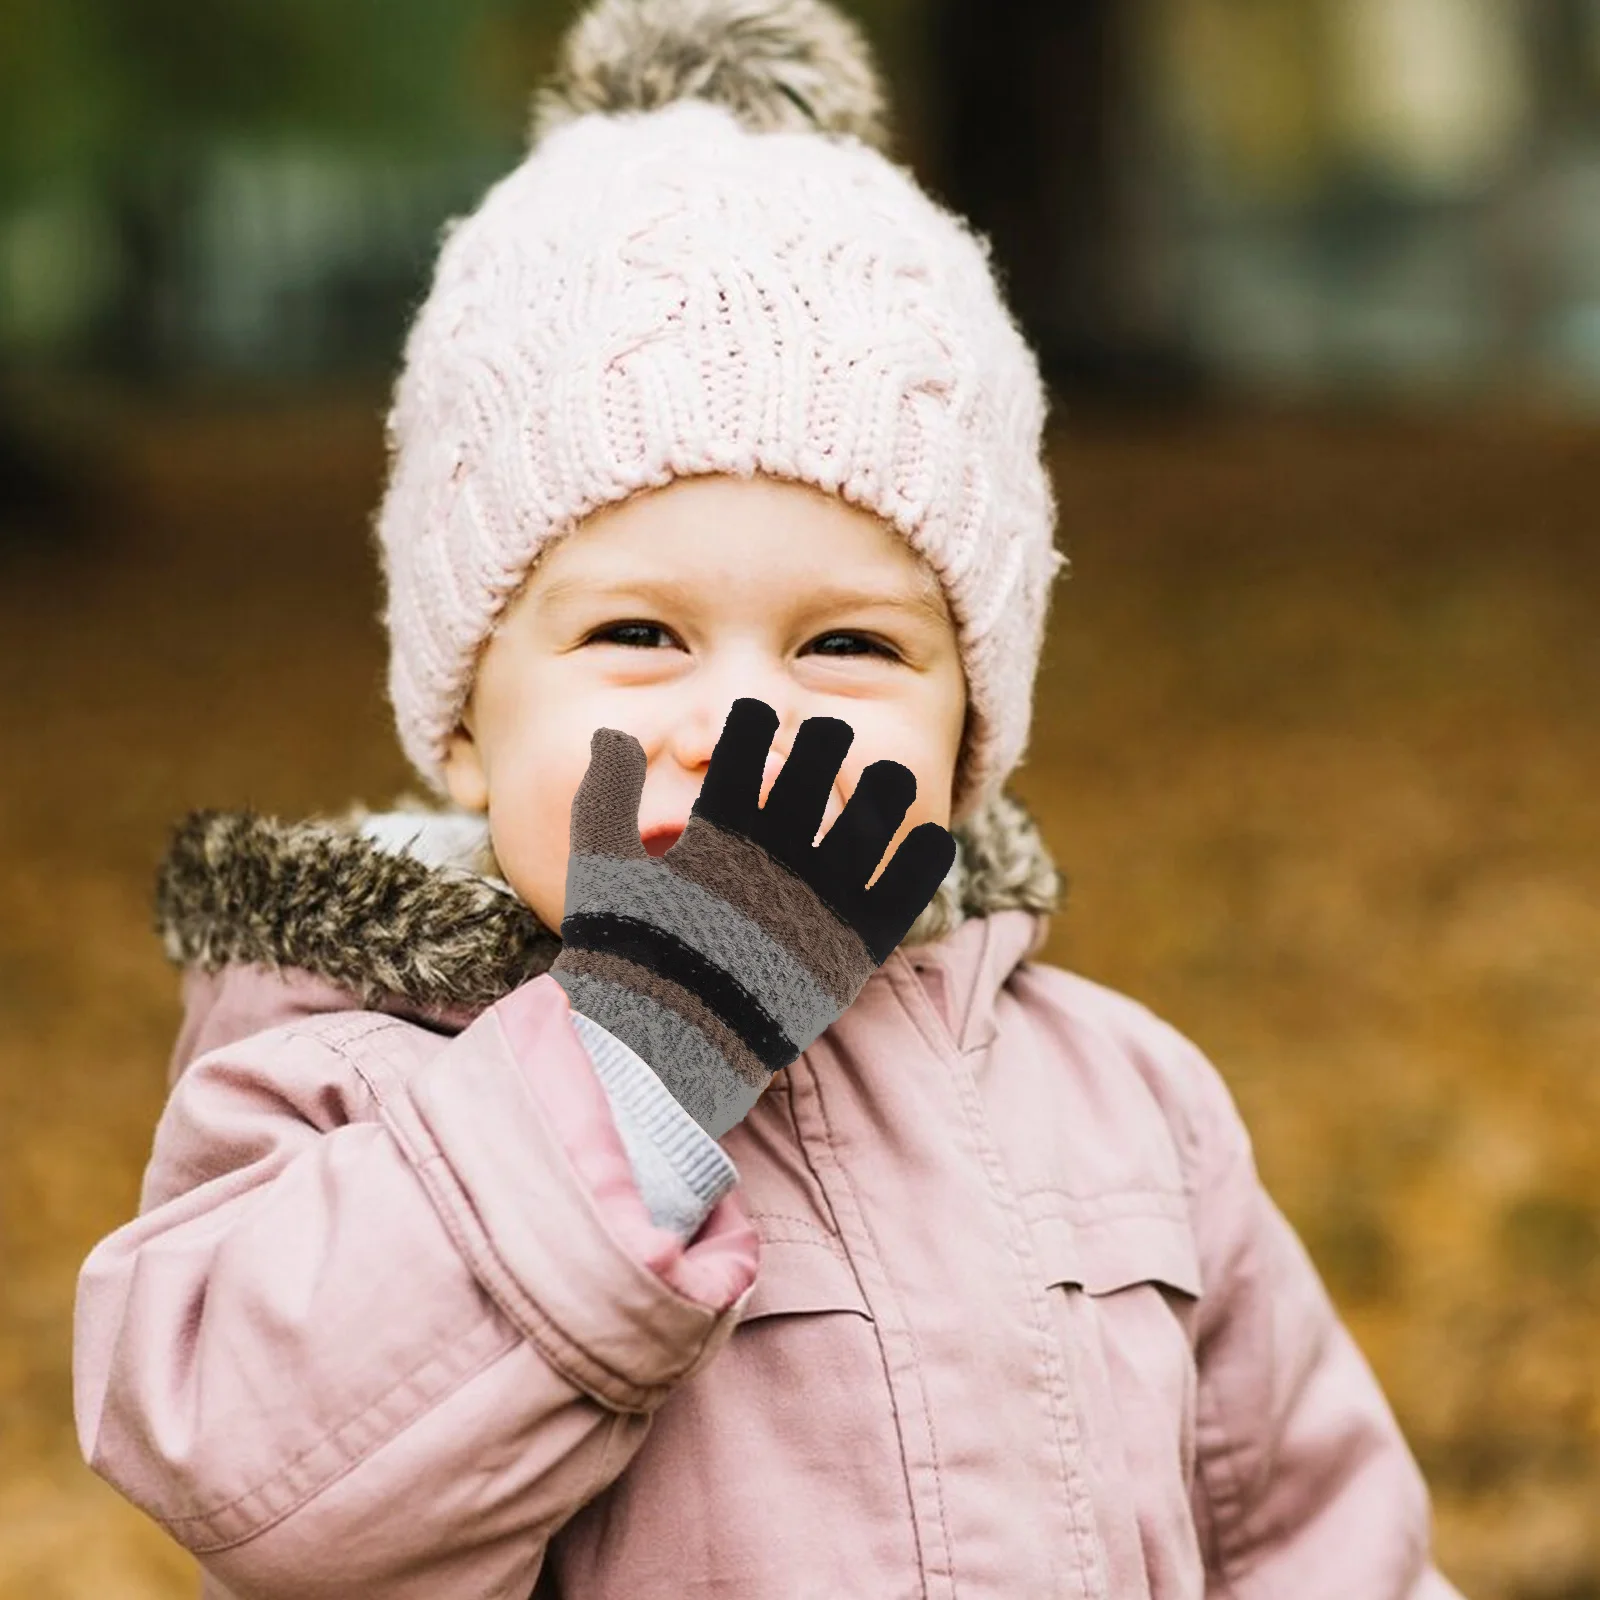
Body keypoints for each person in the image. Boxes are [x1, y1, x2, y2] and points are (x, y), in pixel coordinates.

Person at [72, 1, 1465, 1594]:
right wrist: (644, 1059)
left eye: (850, 644)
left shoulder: (1120, 1100)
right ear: (462, 721)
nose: (741, 724)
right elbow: (264, 1479)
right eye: (639, 633)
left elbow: (1310, 1539)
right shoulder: (334, 1082)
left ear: (968, 740)